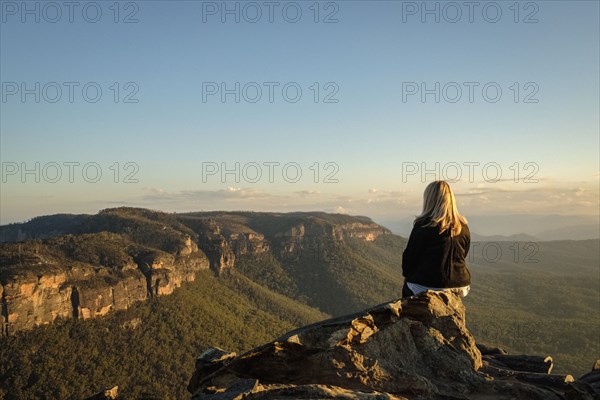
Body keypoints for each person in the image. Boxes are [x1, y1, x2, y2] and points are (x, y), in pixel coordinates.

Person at [402, 180, 471, 298]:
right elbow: (463, 254)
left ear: (429, 200)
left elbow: (409, 261)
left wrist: (409, 276)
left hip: (430, 285)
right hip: (461, 285)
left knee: (408, 286)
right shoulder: (462, 226)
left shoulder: (424, 225)